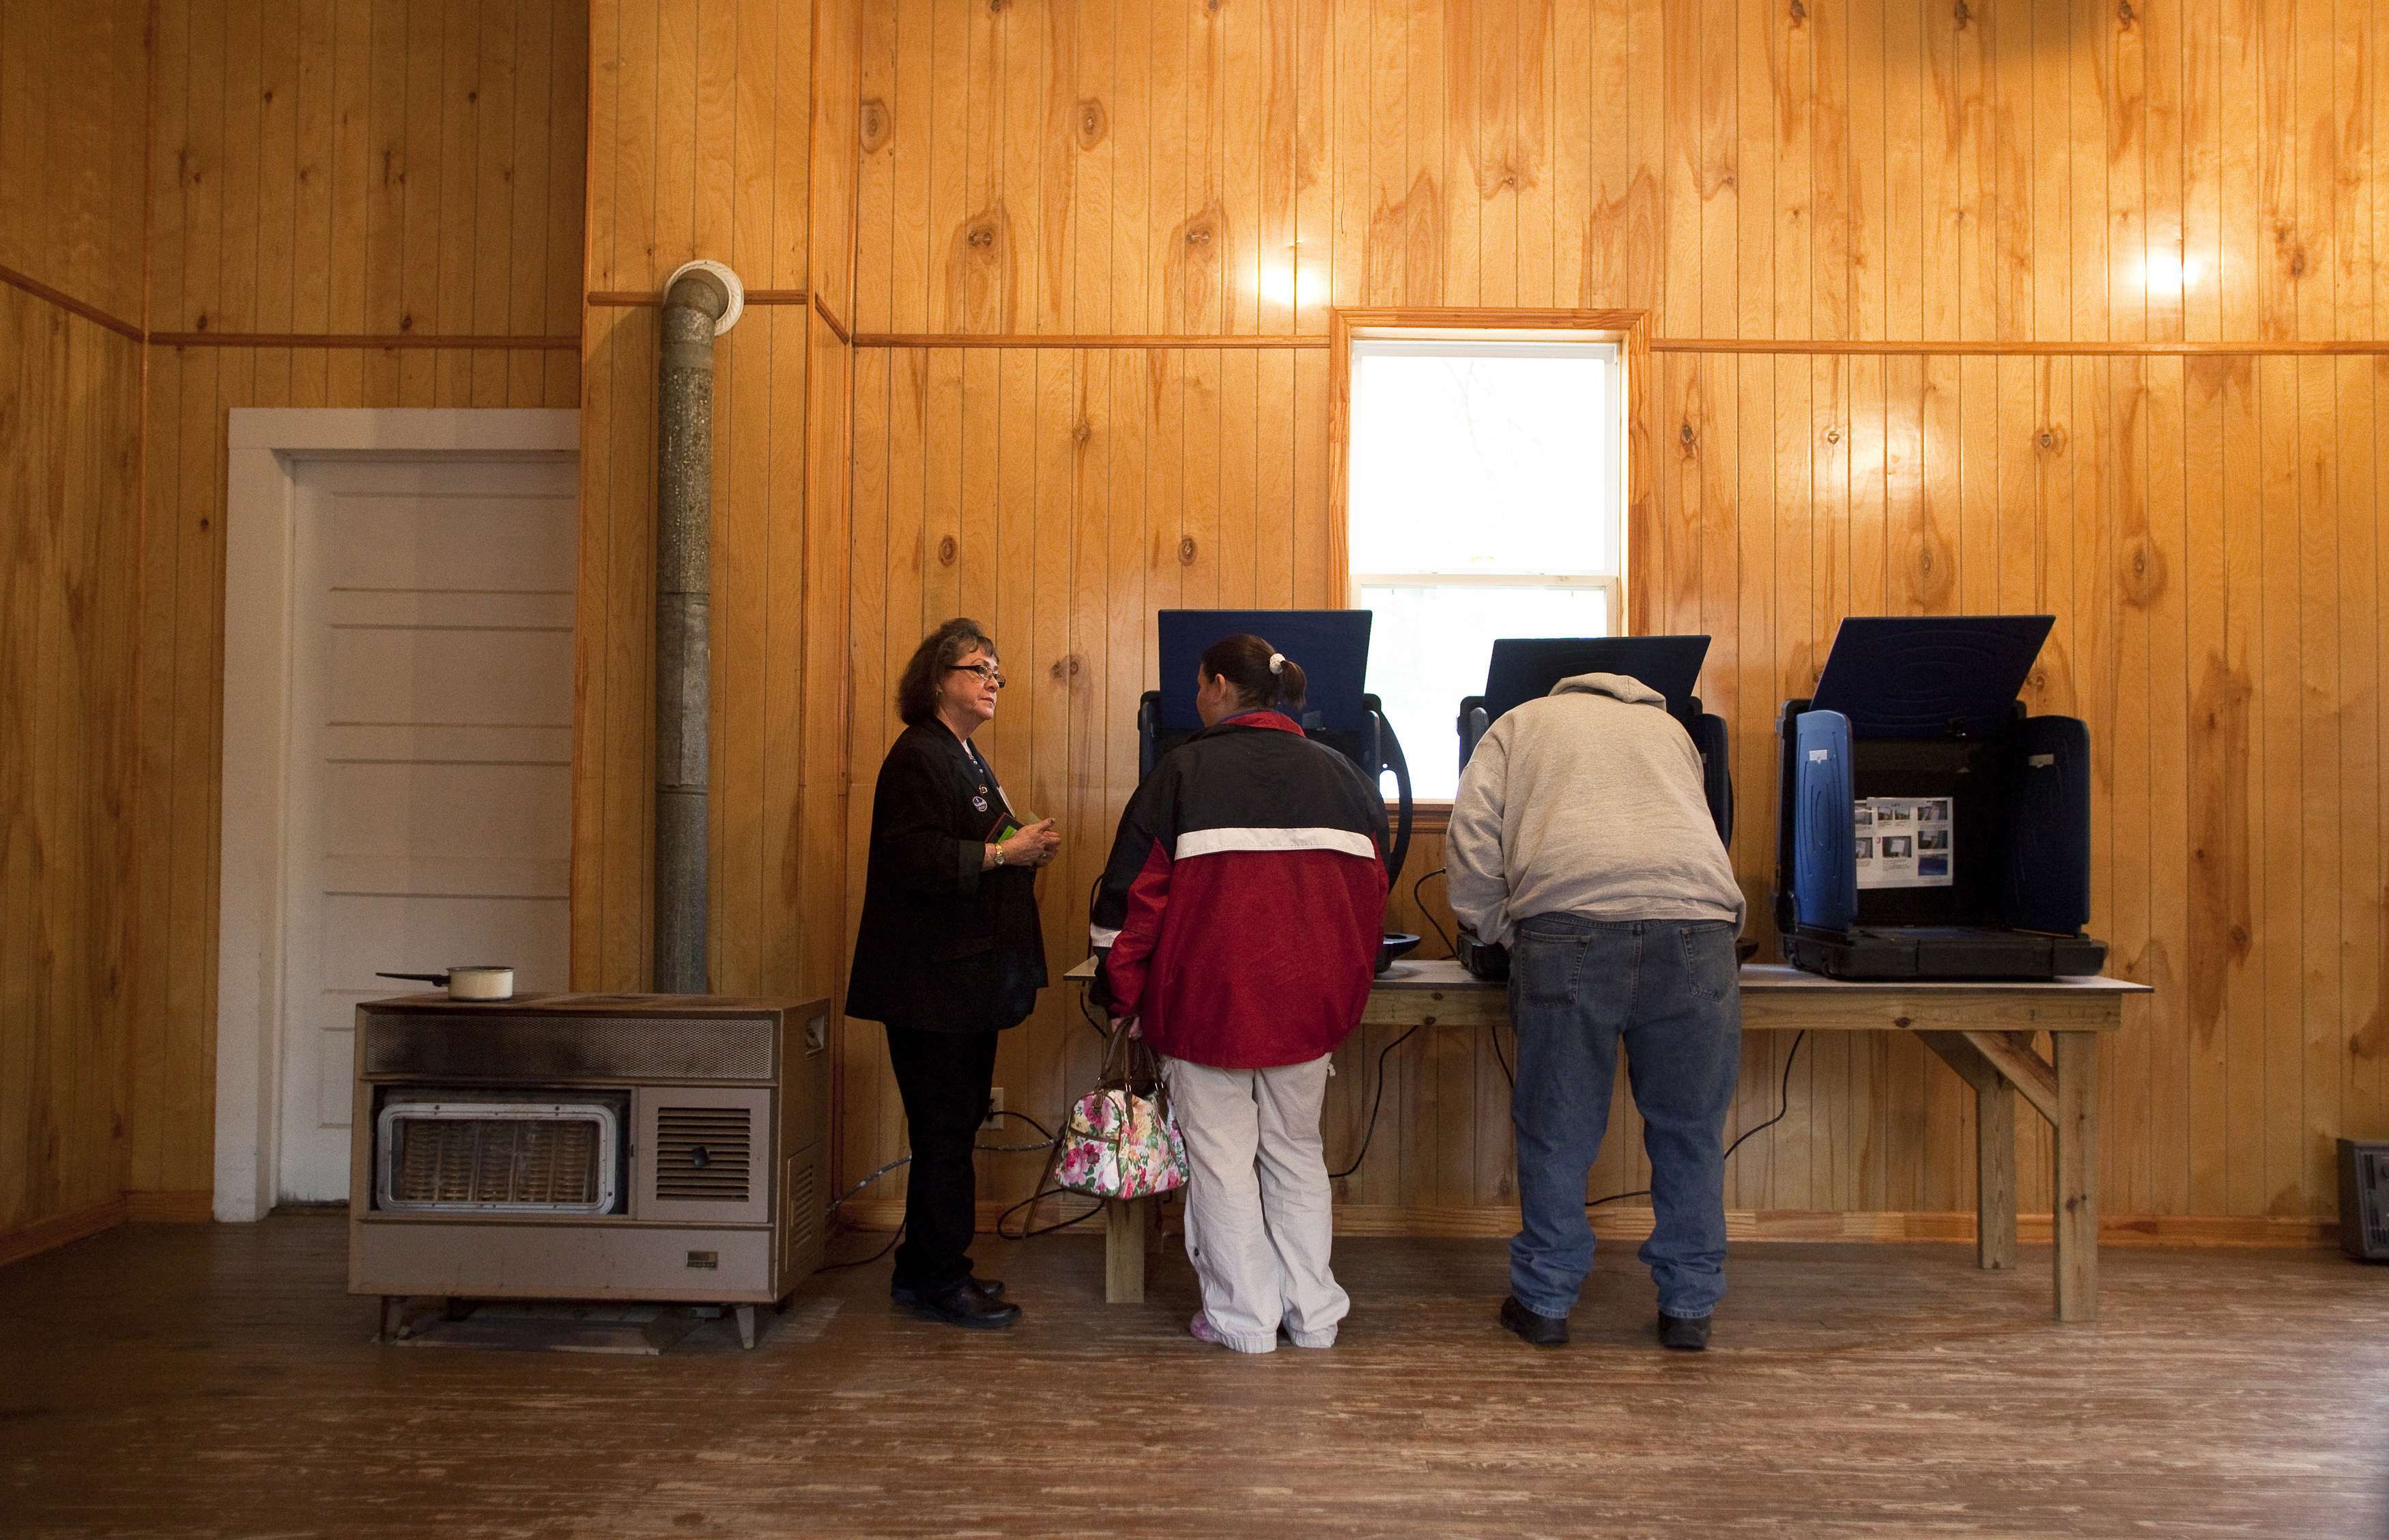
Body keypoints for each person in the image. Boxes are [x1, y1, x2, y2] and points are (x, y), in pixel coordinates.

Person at [1089, 635, 1388, 1353]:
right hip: (1306, 1012)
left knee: (1221, 1163)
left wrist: (1122, 998)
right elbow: (1370, 908)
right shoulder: (1346, 777)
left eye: (1199, 686)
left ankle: (1243, 1321)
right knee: (1295, 1152)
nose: (1196, 700)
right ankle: (1312, 1317)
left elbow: (1129, 910)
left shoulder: (1180, 772)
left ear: (1220, 687)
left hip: (1206, 1008)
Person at [1444, 670, 1745, 1352]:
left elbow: (1469, 838)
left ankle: (1545, 1303)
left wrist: (1498, 927)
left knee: (1557, 1131)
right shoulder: (1670, 730)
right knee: (1689, 1132)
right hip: (1697, 931)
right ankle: (1688, 1309)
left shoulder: (1517, 726)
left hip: (1569, 928)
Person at [847, 618, 1061, 1330]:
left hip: (961, 983)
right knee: (943, 1133)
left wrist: (1018, 848)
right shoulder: (919, 755)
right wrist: (1006, 855)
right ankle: (939, 1279)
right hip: (930, 986)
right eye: (978, 669)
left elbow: (967, 847)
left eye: (997, 672)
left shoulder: (962, 755)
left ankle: (927, 1271)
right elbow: (916, 860)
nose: (992, 683)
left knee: (953, 1128)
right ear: (937, 680)